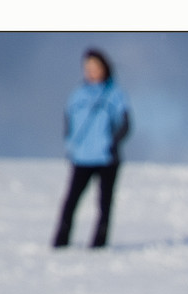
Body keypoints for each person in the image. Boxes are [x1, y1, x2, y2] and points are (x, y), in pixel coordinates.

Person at [52, 49, 131, 248]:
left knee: (104, 204)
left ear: (105, 68)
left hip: (106, 158)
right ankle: (60, 243)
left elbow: (126, 124)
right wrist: (70, 143)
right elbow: (68, 121)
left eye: (95, 67)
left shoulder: (115, 94)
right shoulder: (77, 95)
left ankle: (99, 245)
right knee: (71, 202)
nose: (91, 72)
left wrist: (112, 144)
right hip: (81, 157)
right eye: (88, 68)